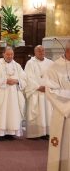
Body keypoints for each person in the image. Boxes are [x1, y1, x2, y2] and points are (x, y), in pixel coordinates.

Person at [0, 46, 26, 141]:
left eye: (11, 54)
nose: (10, 56)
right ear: (3, 54)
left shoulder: (17, 66)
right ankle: (0, 134)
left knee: (12, 112)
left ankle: (10, 133)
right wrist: (5, 81)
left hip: (14, 95)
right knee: (2, 112)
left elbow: (24, 79)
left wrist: (17, 81)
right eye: (8, 54)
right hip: (2, 94)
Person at [45, 40, 70, 171]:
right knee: (63, 144)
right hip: (63, 114)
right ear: (67, 51)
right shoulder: (55, 67)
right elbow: (50, 91)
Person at [24, 45, 53, 140]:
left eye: (43, 50)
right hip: (35, 91)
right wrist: (37, 87)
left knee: (47, 112)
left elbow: (54, 77)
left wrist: (48, 86)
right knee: (36, 112)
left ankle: (47, 133)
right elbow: (28, 77)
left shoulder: (50, 63)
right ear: (35, 52)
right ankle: (35, 133)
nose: (41, 52)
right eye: (39, 51)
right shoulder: (30, 63)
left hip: (47, 91)